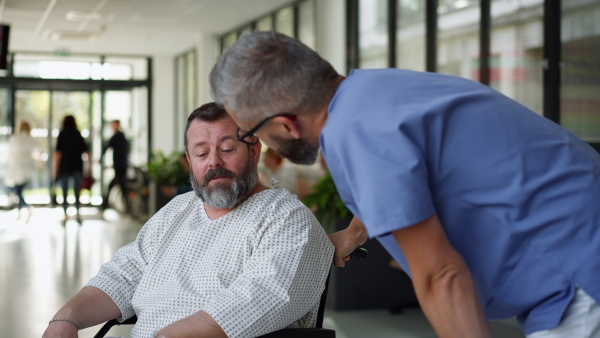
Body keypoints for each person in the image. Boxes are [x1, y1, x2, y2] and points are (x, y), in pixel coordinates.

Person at [208, 31, 600, 338]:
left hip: (577, 272)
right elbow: (407, 178)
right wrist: (355, 234)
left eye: (248, 133)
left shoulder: (354, 135)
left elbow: (442, 276)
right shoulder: (372, 92)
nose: (254, 143)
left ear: (285, 123)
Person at [43, 103, 334, 338]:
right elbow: (124, 273)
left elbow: (260, 299)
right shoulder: (178, 210)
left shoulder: (284, 217)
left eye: (227, 149)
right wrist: (65, 319)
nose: (214, 162)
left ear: (254, 150)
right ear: (190, 160)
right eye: (202, 153)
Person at [54, 115, 90, 224]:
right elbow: (87, 152)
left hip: (64, 167)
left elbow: (57, 154)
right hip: (77, 167)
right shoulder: (78, 134)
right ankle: (78, 214)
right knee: (76, 192)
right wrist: (89, 166)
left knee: (64, 192)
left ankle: (65, 215)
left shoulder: (62, 134)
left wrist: (55, 170)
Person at [5, 120, 37, 221]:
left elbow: (10, 154)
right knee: (19, 192)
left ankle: (27, 208)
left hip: (17, 170)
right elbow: (37, 153)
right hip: (26, 170)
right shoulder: (31, 140)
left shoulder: (14, 139)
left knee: (18, 192)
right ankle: (21, 212)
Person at [101, 119, 131, 213]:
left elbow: (107, 147)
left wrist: (101, 158)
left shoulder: (117, 137)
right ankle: (105, 206)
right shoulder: (121, 137)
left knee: (121, 186)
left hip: (120, 166)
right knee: (117, 185)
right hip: (121, 165)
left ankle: (127, 207)